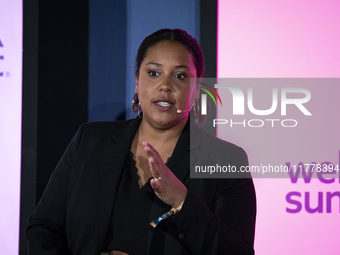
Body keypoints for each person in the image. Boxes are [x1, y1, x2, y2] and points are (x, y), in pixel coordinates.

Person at [26, 28, 256, 255]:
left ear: (196, 91)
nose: (165, 85)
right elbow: (44, 228)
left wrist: (182, 201)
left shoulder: (226, 160)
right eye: (154, 73)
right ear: (137, 81)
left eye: (180, 76)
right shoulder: (90, 141)